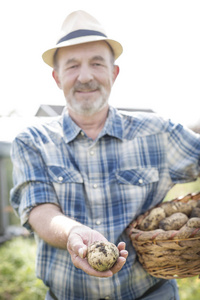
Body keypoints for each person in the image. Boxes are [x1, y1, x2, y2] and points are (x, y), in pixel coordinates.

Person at [10, 10, 200, 300]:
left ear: (114, 72)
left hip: (152, 293)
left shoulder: (158, 132)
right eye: (72, 66)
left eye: (97, 63)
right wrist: (73, 232)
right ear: (57, 77)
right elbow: (39, 210)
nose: (85, 76)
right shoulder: (32, 142)